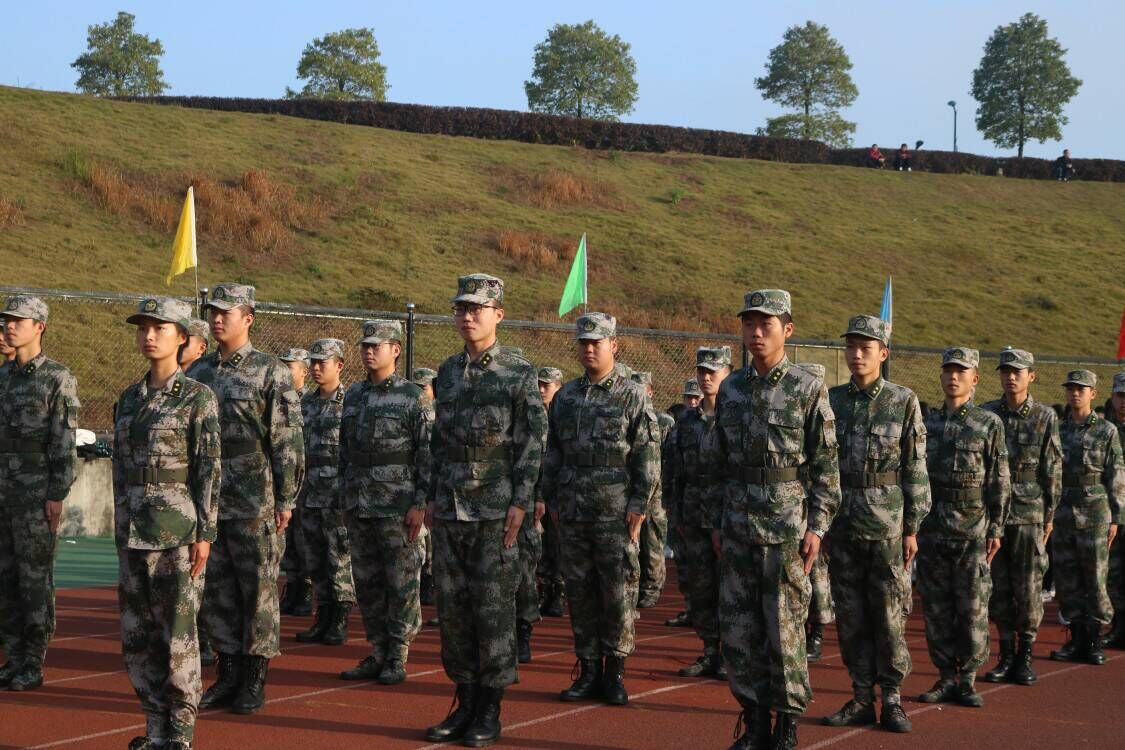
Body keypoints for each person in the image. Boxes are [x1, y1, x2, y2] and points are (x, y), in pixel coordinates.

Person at [713, 289, 841, 750]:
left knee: (785, 633)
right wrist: (717, 522)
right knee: (739, 633)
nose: (756, 332)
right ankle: (754, 723)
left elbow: (826, 466)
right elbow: (719, 462)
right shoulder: (731, 388)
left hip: (786, 532)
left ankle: (786, 725)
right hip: (738, 526)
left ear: (787, 330)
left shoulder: (807, 388)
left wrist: (817, 527)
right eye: (749, 323)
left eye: (766, 324)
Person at [423, 274, 546, 747]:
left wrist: (521, 500)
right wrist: (432, 495)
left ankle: (490, 709)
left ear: (498, 314)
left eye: (477, 308)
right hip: (451, 507)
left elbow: (532, 441)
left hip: (495, 510)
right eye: (461, 308)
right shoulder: (448, 372)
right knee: (454, 612)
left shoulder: (517, 372)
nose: (467, 316)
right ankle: (465, 701)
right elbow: (439, 442)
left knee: (493, 612)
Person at [113, 296, 221, 750]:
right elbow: (120, 470)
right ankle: (155, 727)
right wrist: (120, 526)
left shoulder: (197, 397)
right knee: (138, 639)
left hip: (176, 533)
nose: (149, 335)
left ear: (182, 338)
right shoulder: (129, 399)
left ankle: (180, 732)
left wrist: (205, 533)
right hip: (133, 533)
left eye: (159, 328)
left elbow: (209, 468)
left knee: (177, 637)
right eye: (143, 328)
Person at [193, 283, 304, 715]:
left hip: (255, 499)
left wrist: (286, 498)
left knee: (258, 590)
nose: (218, 318)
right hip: (210, 500)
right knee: (217, 592)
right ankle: (227, 673)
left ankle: (254, 678)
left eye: (227, 312)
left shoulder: (269, 372)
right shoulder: (199, 371)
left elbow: (287, 440)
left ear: (248, 318)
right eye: (213, 312)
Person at [542, 313, 659, 706]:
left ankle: (615, 672)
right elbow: (554, 452)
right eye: (584, 342)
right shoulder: (566, 397)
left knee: (618, 592)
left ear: (614, 345)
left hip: (615, 511)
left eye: (597, 342)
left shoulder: (632, 394)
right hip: (573, 509)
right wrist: (551, 497)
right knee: (580, 592)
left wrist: (639, 504)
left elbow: (646, 454)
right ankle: (588, 668)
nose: (589, 348)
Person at [822, 315, 930, 734]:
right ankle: (861, 697)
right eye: (851, 346)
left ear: (883, 353)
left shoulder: (902, 400)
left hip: (887, 527)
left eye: (865, 347)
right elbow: (819, 463)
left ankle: (893, 699)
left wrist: (912, 527)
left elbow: (915, 466)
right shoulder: (831, 400)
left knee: (888, 616)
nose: (856, 354)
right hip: (843, 524)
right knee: (850, 616)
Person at [338, 321, 432, 684]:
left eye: (377, 345)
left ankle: (397, 654)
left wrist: (420, 503)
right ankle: (378, 649)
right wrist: (344, 495)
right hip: (360, 503)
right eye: (365, 345)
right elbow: (345, 449)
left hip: (397, 507)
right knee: (367, 583)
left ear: (395, 350)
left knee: (401, 583)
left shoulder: (412, 397)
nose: (369, 350)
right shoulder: (354, 395)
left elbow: (427, 454)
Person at [916, 347, 1010, 708]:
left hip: (972, 531)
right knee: (937, 608)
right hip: (933, 529)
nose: (953, 377)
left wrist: (996, 527)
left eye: (961, 371)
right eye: (948, 371)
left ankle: (967, 679)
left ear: (975, 379)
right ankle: (944, 676)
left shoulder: (988, 423)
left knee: (972, 609)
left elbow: (999, 479)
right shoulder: (928, 423)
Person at [0, 295, 79, 692]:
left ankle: (32, 660)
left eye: (18, 320)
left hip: (35, 496)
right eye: (7, 320)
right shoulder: (3, 376)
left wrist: (57, 493)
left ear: (39, 327)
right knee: (5, 578)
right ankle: (13, 656)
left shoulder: (57, 378)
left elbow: (63, 440)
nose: (9, 326)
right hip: (2, 492)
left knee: (34, 580)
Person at [981, 348, 1061, 685]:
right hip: (993, 515)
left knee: (1028, 589)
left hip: (1029, 514)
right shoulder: (987, 414)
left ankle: (1025, 655)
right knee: (998, 588)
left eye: (1017, 371)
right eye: (1005, 371)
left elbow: (1052, 469)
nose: (1011, 377)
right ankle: (1005, 654)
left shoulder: (1044, 416)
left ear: (1031, 376)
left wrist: (1049, 515)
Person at [1050, 370, 1124, 664]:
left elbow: (1116, 475)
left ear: (1093, 393)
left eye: (1081, 389)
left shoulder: (1106, 430)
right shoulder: (1057, 429)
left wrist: (1116, 517)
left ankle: (1094, 639)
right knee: (1067, 579)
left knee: (1095, 577)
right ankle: (1075, 638)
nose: (1075, 393)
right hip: (1064, 511)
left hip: (1095, 512)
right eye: (1071, 389)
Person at [670, 346, 731, 679]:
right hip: (693, 514)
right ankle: (709, 651)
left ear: (727, 374)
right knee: (701, 588)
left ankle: (731, 655)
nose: (706, 378)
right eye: (702, 372)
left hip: (727, 516)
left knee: (729, 589)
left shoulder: (735, 418)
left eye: (713, 372)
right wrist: (677, 512)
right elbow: (676, 470)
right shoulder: (687, 421)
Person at [293, 339, 356, 647]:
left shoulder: (349, 402)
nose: (316, 368)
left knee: (338, 558)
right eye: (313, 363)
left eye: (323, 362)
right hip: (309, 494)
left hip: (335, 495)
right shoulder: (306, 402)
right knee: (315, 559)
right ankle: (323, 615)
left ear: (339, 365)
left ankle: (340, 618)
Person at [278, 347, 313, 618]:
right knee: (287, 539)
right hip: (286, 480)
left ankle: (306, 589)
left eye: (290, 366)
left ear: (304, 371)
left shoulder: (310, 402)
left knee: (304, 539)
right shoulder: (279, 400)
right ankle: (293, 585)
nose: (285, 371)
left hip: (309, 481)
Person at [630, 371, 669, 608]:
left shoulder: (663, 422)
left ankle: (652, 586)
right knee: (633, 540)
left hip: (657, 492)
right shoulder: (630, 417)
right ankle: (635, 585)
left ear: (651, 392)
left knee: (652, 538)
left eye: (643, 388)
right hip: (633, 488)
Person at [536, 367, 567, 619]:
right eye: (539, 384)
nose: (541, 389)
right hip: (536, 488)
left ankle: (558, 592)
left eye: (547, 385)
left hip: (557, 490)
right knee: (538, 545)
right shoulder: (533, 415)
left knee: (557, 543)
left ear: (558, 387)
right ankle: (543, 591)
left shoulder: (565, 415)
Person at [411, 367, 438, 607]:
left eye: (424, 387)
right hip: (418, 482)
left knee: (432, 537)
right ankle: (422, 577)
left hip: (435, 482)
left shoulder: (439, 415)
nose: (420, 392)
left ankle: (429, 577)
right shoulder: (413, 412)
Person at [1106, 372, 1125, 649]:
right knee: (1114, 572)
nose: (1124, 402)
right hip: (1112, 512)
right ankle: (1119, 626)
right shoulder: (1105, 431)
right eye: (1120, 395)